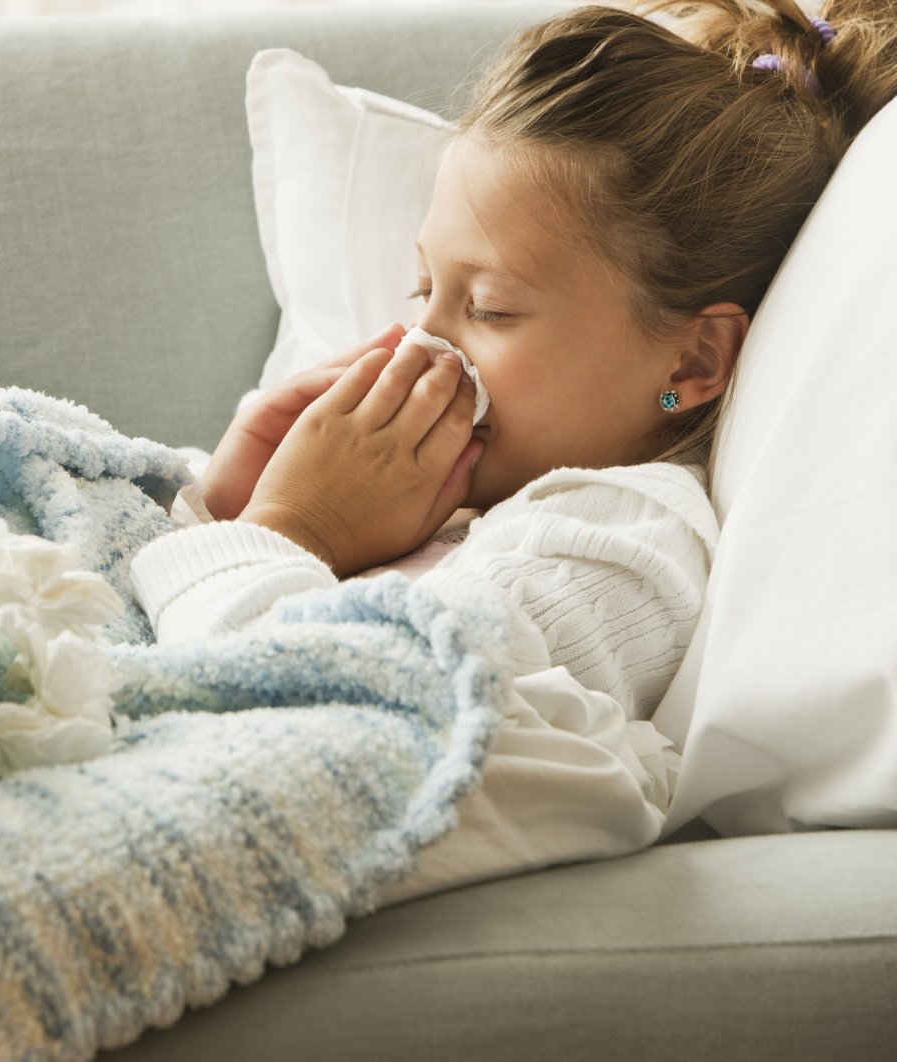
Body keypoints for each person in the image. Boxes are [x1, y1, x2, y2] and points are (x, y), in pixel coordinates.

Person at [131, 0, 897, 903]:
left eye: (489, 308)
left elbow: (340, 730)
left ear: (692, 359)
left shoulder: (617, 544)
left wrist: (290, 528)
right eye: (424, 287)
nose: (424, 343)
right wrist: (218, 502)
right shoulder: (468, 496)